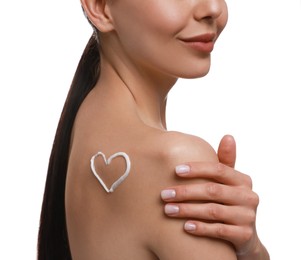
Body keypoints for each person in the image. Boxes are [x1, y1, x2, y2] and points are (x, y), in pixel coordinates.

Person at [38, 0, 270, 259]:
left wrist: (250, 248)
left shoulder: (85, 120)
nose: (213, 8)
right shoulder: (176, 162)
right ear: (100, 8)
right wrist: (254, 252)